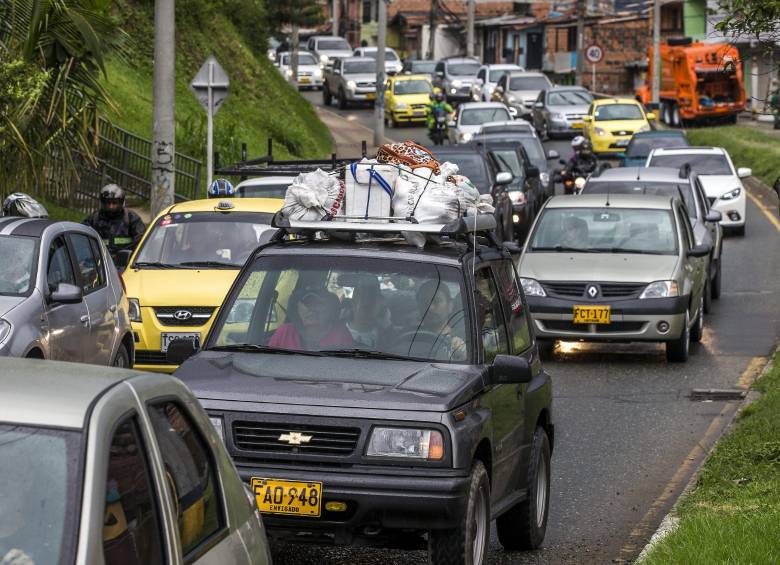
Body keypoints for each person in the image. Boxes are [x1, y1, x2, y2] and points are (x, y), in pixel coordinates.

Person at [269, 289, 355, 351]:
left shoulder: (341, 335)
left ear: (330, 310)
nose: (311, 310)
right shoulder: (285, 332)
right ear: (297, 308)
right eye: (306, 303)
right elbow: (267, 362)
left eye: (318, 304)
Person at [83, 184, 145, 261]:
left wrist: (125, 254)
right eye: (108, 203)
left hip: (125, 262)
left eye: (114, 203)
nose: (111, 206)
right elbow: (82, 238)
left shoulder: (131, 218)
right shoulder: (94, 218)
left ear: (121, 202)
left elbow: (141, 239)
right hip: (101, 262)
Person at [415, 280, 467, 361]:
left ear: (450, 306)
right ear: (419, 306)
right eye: (425, 302)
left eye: (437, 301)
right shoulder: (408, 337)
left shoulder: (465, 339)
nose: (430, 308)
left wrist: (464, 355)